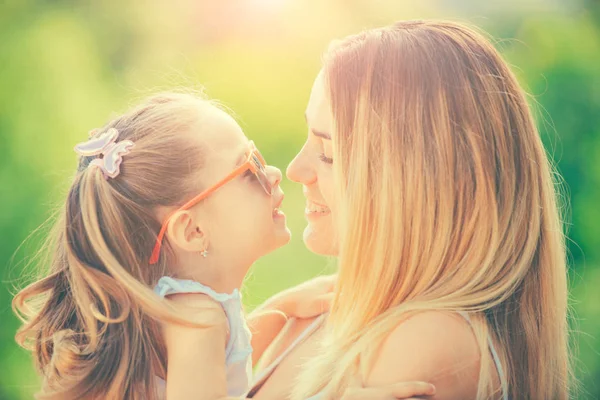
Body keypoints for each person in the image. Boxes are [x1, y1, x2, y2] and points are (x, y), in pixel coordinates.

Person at [248, 20, 571, 400]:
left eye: (328, 153)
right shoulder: (311, 312)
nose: (296, 170)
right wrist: (254, 325)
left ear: (416, 182)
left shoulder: (427, 340)